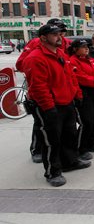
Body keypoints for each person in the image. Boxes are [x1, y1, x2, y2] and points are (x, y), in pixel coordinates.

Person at [23, 24, 90, 187]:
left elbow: (70, 76)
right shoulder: (35, 58)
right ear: (44, 38)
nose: (59, 37)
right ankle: (53, 172)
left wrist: (76, 94)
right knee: (52, 140)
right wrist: (48, 107)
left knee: (69, 135)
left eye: (59, 34)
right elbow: (39, 86)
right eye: (54, 35)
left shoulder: (60, 53)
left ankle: (70, 162)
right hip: (50, 106)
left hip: (66, 102)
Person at [15, 18, 70, 164]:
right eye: (57, 31)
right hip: (43, 92)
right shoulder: (35, 45)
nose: (60, 35)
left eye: (62, 31)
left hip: (61, 93)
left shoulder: (63, 43)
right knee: (41, 126)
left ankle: (67, 159)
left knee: (62, 131)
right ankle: (36, 150)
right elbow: (21, 64)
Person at [69, 39, 94, 159]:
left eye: (87, 46)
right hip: (84, 93)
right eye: (83, 47)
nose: (86, 48)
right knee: (86, 121)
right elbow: (81, 78)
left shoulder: (92, 60)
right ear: (76, 49)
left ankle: (92, 143)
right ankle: (81, 148)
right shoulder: (73, 61)